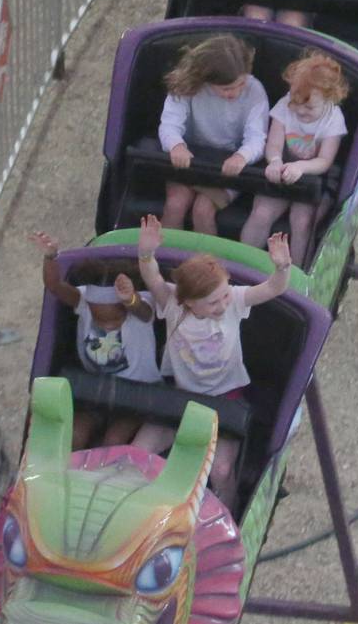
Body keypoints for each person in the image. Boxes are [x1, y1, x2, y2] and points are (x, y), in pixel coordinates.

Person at [132, 214, 292, 504]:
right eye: (213, 302)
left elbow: (273, 288)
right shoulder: (173, 304)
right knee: (137, 453)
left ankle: (231, 511)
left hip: (225, 399)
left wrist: (282, 267)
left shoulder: (233, 301)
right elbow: (152, 276)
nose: (222, 305)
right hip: (183, 396)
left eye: (224, 297)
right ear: (189, 302)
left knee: (220, 469)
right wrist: (146, 252)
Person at [30, 231, 161, 449]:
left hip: (137, 397)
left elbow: (142, 310)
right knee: (75, 436)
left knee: (113, 441)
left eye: (112, 319)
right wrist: (51, 257)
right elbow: (54, 286)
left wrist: (130, 298)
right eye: (98, 316)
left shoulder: (140, 311)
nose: (105, 324)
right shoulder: (84, 304)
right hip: (96, 394)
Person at [240, 52, 348, 267]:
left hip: (315, 178)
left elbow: (325, 160)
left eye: (309, 107)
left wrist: (300, 167)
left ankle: (295, 275)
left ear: (329, 98)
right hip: (282, 173)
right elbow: (274, 144)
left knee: (302, 221)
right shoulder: (284, 105)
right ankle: (243, 263)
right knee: (261, 213)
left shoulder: (333, 118)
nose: (300, 110)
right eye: (296, 103)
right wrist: (274, 161)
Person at [159, 34, 269, 235]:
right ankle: (164, 257)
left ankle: (207, 264)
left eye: (240, 84)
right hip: (191, 162)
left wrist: (241, 156)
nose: (235, 93)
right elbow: (169, 124)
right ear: (206, 80)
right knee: (176, 204)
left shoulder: (255, 91)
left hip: (226, 170)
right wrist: (176, 145)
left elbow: (257, 137)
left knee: (202, 211)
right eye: (227, 89)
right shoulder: (188, 87)